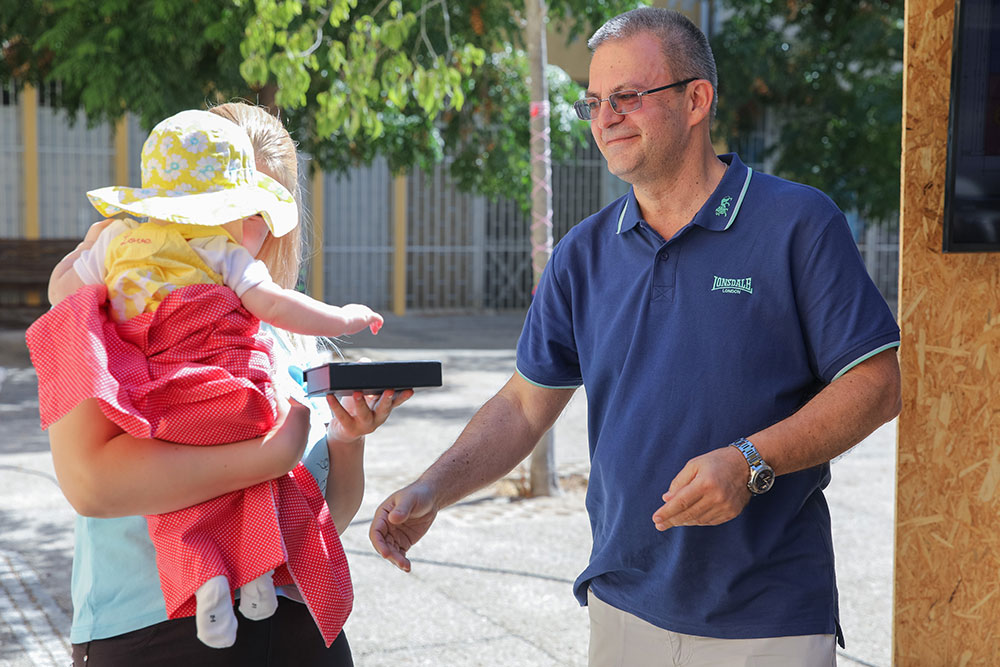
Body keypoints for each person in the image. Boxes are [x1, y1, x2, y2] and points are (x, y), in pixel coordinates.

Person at [370, 8, 901, 667]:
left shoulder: (797, 223)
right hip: (622, 607)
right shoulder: (581, 256)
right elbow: (522, 405)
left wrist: (748, 460)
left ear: (696, 99)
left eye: (628, 97)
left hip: (768, 621)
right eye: (594, 101)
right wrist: (432, 487)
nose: (605, 117)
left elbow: (876, 385)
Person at [37, 101, 410, 666]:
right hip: (152, 627)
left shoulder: (287, 334)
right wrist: (274, 453)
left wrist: (348, 439)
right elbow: (92, 485)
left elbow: (325, 513)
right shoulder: (110, 306)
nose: (235, 225)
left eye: (254, 207)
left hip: (295, 623)